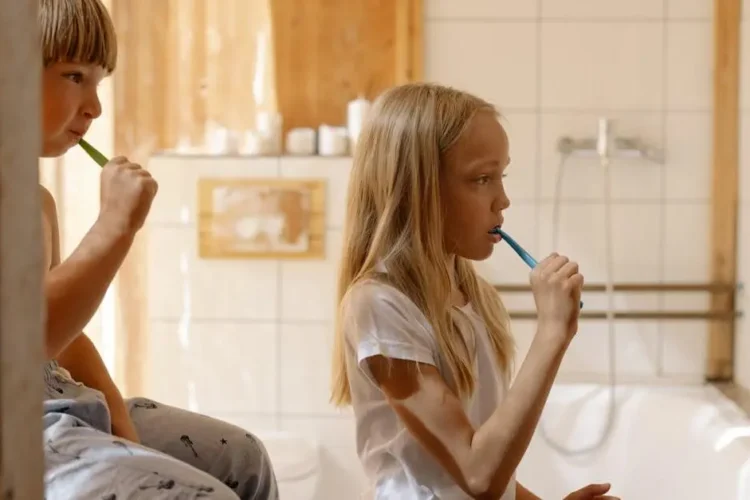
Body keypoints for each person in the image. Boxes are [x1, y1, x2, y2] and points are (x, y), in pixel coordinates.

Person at [329, 83, 618, 500]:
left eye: (501, 176)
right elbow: (477, 476)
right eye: (482, 179)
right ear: (417, 192)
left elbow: (483, 478)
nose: (503, 200)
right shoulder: (380, 305)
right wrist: (553, 333)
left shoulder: (470, 293)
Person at [38, 0, 278, 498]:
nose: (95, 106)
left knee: (242, 457)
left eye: (98, 82)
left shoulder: (35, 201)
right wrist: (114, 227)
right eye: (75, 75)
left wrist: (118, 417)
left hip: (59, 400)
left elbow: (64, 335)